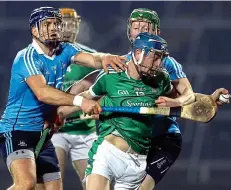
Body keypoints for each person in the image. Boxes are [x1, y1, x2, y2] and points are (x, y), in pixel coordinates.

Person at [0, 6, 126, 190]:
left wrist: (105, 57)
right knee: (26, 183)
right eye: (47, 24)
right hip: (18, 130)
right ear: (34, 30)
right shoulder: (27, 57)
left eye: (56, 24)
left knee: (54, 189)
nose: (53, 28)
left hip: (44, 133)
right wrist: (81, 102)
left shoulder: (65, 50)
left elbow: (92, 59)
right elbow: (42, 92)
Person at [63, 32, 172, 190]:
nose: (159, 63)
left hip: (138, 163)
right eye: (155, 57)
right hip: (107, 154)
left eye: (161, 58)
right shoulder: (111, 75)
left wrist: (207, 101)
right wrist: (58, 113)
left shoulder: (162, 79)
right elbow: (86, 97)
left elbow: (181, 97)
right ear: (138, 53)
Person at [51, 8, 99, 190]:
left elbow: (100, 87)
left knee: (94, 184)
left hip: (84, 131)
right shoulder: (46, 57)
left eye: (74, 24)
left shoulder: (90, 57)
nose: (70, 28)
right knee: (54, 182)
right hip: (56, 131)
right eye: (65, 24)